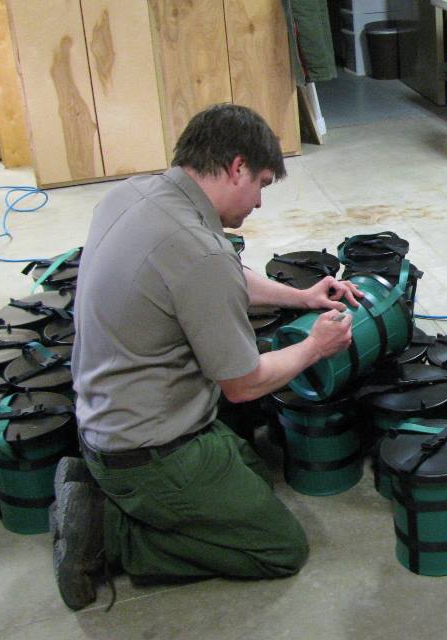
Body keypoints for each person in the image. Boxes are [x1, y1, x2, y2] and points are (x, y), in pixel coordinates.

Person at [52, 103, 361, 611]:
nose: (260, 201)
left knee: (253, 477)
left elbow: (217, 276)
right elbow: (242, 383)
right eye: (261, 182)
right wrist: (314, 347)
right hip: (148, 447)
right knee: (278, 546)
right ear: (236, 167)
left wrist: (302, 296)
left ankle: (102, 487)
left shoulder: (135, 195)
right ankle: (106, 533)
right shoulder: (200, 251)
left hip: (106, 418)